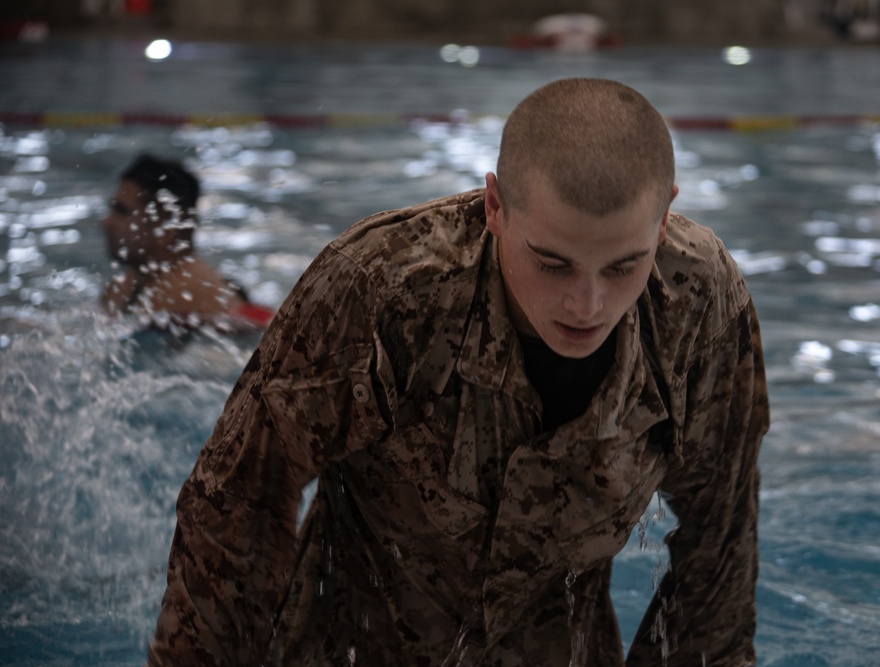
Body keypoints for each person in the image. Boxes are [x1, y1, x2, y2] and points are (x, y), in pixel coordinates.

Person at [148, 78, 769, 666]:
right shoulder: (384, 292)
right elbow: (236, 508)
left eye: (622, 267)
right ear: (495, 206)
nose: (587, 305)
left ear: (664, 221)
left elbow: (720, 548)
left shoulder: (697, 308)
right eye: (552, 265)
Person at [100, 154, 273, 331]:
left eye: (121, 211)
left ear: (166, 228)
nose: (106, 222)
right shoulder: (123, 286)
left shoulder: (202, 300)